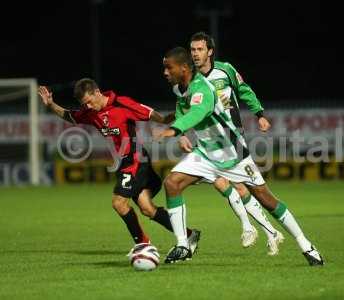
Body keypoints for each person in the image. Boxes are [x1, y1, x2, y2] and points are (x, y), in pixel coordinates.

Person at [155, 47, 324, 266]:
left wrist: (176, 129)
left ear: (184, 68)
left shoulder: (204, 90)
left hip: (232, 153)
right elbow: (182, 106)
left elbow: (197, 112)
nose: (165, 72)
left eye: (169, 68)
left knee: (267, 199)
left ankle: (306, 245)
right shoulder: (180, 88)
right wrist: (179, 127)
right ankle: (182, 245)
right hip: (205, 153)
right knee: (172, 182)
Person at [37, 78, 201, 259]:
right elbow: (69, 115)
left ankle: (143, 245)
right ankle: (189, 234)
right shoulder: (90, 112)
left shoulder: (122, 103)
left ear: (97, 92)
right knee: (147, 208)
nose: (88, 107)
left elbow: (153, 115)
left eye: (89, 102)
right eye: (85, 104)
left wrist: (173, 124)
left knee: (118, 203)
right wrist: (51, 104)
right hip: (125, 163)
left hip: (136, 160)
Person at [180, 31, 283, 255]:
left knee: (234, 184)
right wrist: (183, 133)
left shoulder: (225, 70)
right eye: (192, 50)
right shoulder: (190, 78)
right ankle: (268, 232)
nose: (195, 54)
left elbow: (243, 90)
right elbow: (186, 108)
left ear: (210, 51)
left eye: (199, 49)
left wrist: (260, 114)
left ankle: (253, 229)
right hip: (207, 139)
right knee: (221, 183)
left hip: (231, 134)